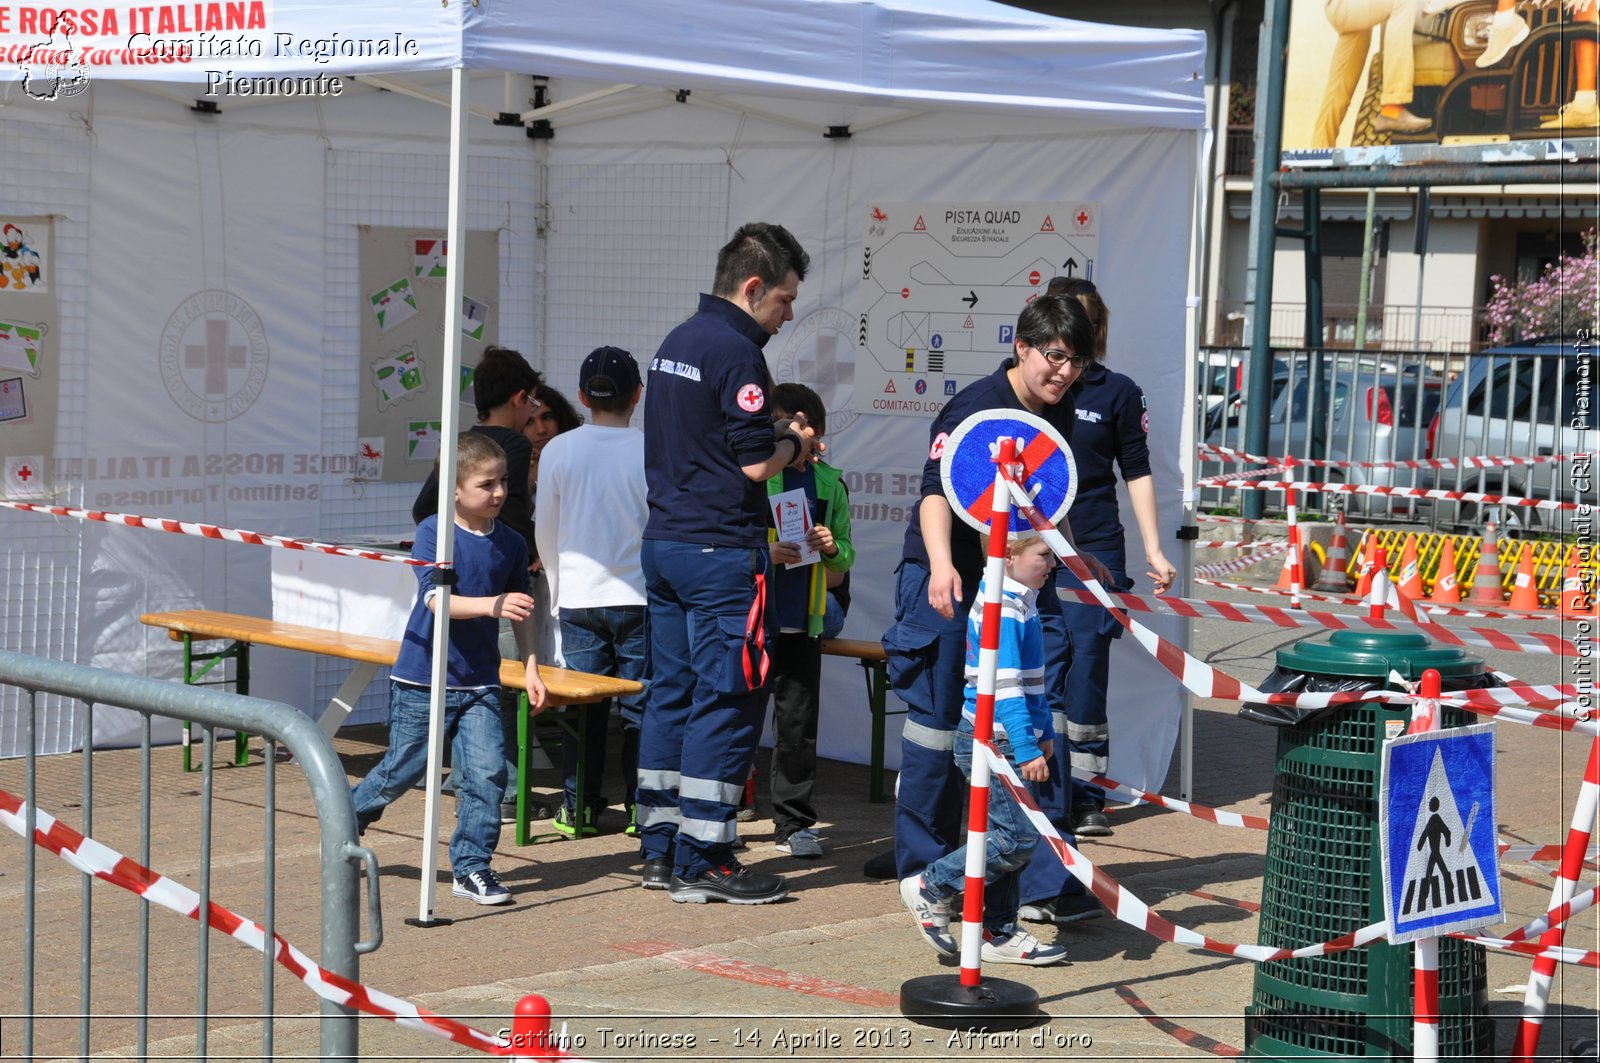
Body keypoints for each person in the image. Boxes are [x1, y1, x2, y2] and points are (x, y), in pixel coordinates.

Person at [881, 294, 1104, 902]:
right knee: (936, 728)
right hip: (949, 581)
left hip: (1022, 586)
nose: (1065, 372)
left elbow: (1045, 503)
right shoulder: (977, 407)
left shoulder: (1061, 410)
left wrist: (1074, 560)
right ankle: (931, 881)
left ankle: (1039, 883)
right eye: (1055, 356)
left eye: (1077, 361)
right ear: (1022, 347)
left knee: (1033, 722)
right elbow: (933, 493)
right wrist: (942, 565)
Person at [637, 221, 819, 905]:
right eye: (784, 299)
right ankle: (706, 855)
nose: (789, 313)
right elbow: (751, 463)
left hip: (665, 543)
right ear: (752, 288)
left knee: (672, 694)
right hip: (721, 550)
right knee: (730, 695)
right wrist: (794, 449)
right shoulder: (737, 350)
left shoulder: (676, 341)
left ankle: (658, 845)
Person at [1016, 278, 1178, 923]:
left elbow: (1136, 470)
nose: (1066, 356)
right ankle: (1045, 814)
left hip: (1094, 552)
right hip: (1033, 552)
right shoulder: (1024, 392)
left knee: (1083, 674)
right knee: (1039, 678)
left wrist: (1154, 550)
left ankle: (1084, 792)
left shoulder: (1116, 392)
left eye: (1078, 335)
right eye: (1056, 340)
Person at [352, 432, 550, 905]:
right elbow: (438, 600)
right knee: (402, 770)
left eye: (504, 482)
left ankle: (472, 867)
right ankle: (346, 817)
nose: (499, 493)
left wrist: (531, 669)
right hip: (424, 677)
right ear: (454, 490)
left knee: (485, 776)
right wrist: (492, 604)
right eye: (487, 484)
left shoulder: (512, 542)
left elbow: (521, 610)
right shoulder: (433, 532)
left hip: (481, 679)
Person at [898, 534, 1068, 966]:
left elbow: (1033, 683)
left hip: (1009, 736)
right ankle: (930, 885)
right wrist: (1028, 747)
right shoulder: (1003, 607)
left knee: (1006, 837)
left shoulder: (1020, 600)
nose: (1052, 565)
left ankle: (999, 930)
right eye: (1043, 556)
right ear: (1009, 555)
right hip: (994, 739)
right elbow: (1005, 687)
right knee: (1014, 840)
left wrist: (1042, 729)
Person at [412, 346, 542, 823]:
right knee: (497, 683)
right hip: (499, 584)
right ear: (520, 398)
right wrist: (511, 552)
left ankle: (465, 775)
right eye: (533, 404)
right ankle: (498, 789)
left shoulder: (463, 442)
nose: (499, 490)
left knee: (479, 683)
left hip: (477, 583)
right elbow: (516, 516)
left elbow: (423, 506)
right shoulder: (512, 444)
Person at [534, 347, 649, 839]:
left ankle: (579, 808)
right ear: (637, 397)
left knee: (583, 709)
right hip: (641, 597)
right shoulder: (651, 447)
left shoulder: (559, 448)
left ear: (581, 396)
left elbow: (545, 529)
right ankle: (644, 809)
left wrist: (559, 589)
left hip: (578, 597)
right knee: (642, 708)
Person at [761, 382, 854, 860]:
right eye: (785, 430)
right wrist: (766, 552)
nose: (797, 439)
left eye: (804, 430)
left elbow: (844, 558)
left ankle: (794, 823)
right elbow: (729, 542)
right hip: (754, 621)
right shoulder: (753, 476)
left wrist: (831, 547)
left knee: (797, 724)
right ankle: (724, 815)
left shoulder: (829, 482)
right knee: (736, 718)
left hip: (802, 620)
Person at [1311, 0, 1430, 148]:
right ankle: (1392, 107)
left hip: (1346, 7)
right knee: (1402, 2)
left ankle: (1320, 148)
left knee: (1340, 87)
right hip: (1345, 6)